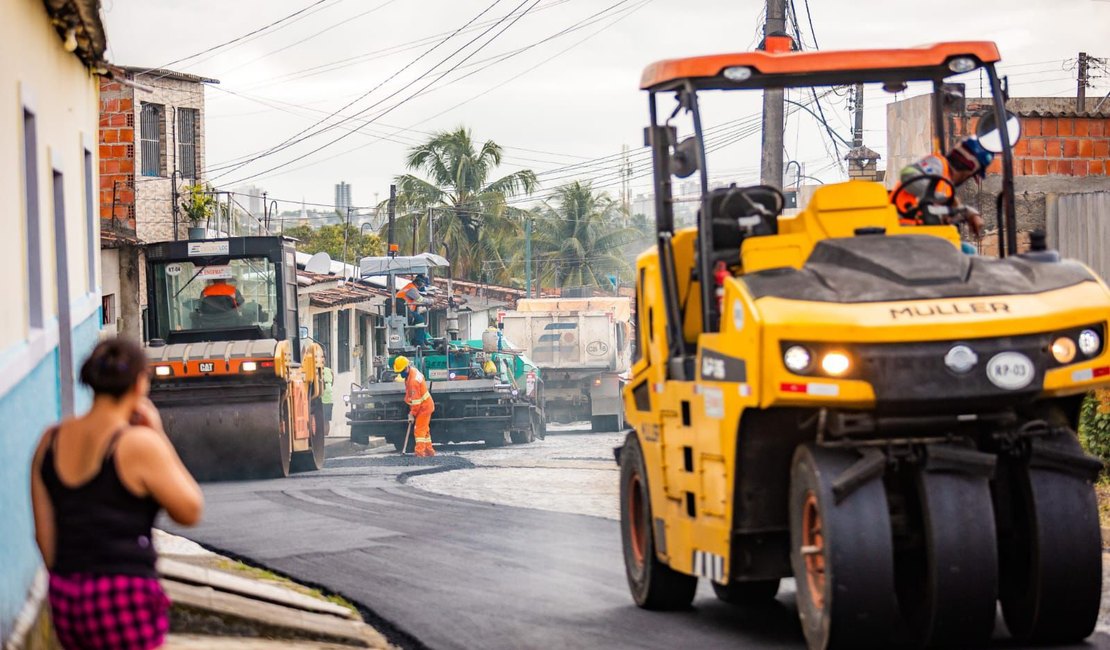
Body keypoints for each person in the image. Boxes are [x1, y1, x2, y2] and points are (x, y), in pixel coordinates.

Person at [31, 338, 204, 650]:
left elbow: (44, 537)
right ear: (139, 383)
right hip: (122, 593)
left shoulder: (49, 441)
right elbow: (189, 510)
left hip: (65, 596)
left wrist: (70, 582)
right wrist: (158, 435)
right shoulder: (137, 443)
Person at [891, 137, 992, 253]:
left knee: (967, 250)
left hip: (923, 235)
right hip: (902, 230)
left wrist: (966, 214)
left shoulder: (946, 185)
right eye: (972, 175)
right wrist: (940, 199)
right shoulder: (938, 164)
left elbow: (936, 210)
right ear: (970, 169)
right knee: (967, 253)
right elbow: (907, 174)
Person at [394, 356, 435, 457]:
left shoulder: (413, 381)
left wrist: (412, 414)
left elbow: (416, 403)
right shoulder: (412, 372)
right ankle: (429, 452)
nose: (401, 373)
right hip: (424, 405)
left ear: (407, 367)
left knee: (419, 430)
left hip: (424, 407)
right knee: (425, 430)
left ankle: (420, 453)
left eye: (402, 371)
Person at [396, 275, 432, 346]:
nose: (423, 287)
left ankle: (423, 339)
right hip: (403, 311)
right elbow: (420, 299)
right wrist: (431, 301)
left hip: (403, 310)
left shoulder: (410, 287)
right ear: (419, 282)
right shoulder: (412, 289)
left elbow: (416, 301)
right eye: (423, 284)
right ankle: (418, 341)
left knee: (419, 319)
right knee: (420, 319)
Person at [320, 364, 334, 436]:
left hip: (322, 398)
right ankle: (326, 436)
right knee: (326, 420)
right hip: (329, 398)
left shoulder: (317, 370)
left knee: (322, 420)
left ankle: (324, 435)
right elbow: (332, 383)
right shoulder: (329, 370)